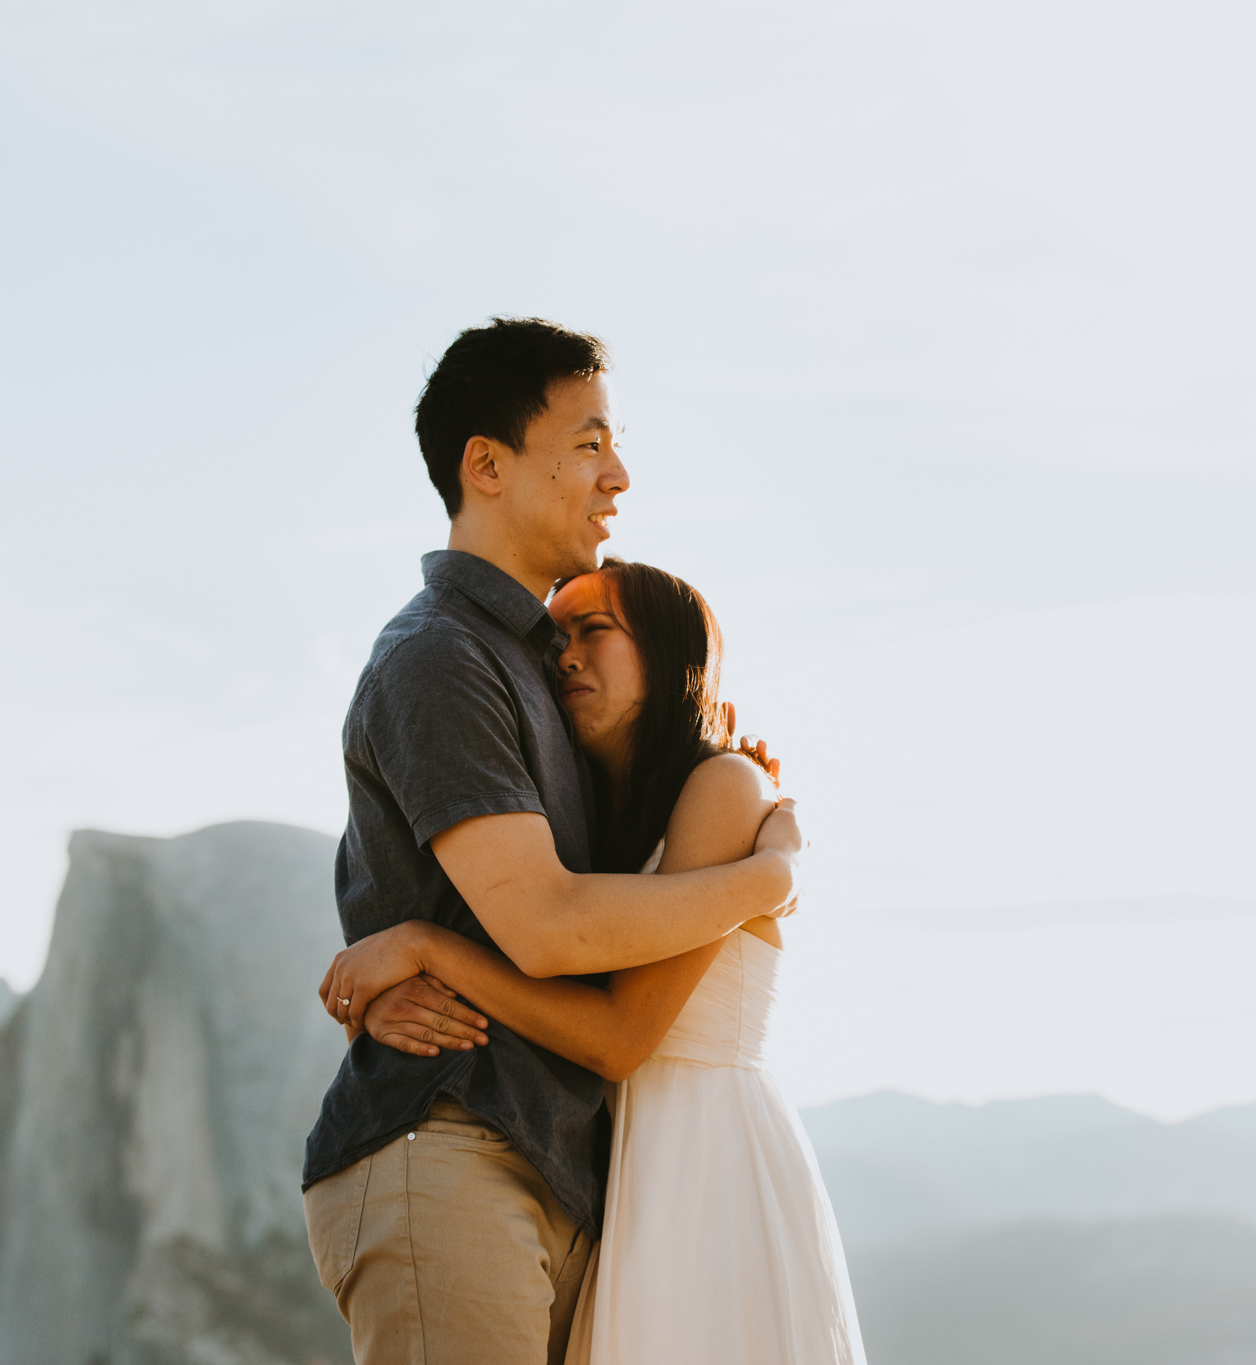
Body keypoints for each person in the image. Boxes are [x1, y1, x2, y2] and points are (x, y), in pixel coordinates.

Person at [301, 318, 806, 1365]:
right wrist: (769, 874)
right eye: (587, 443)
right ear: (484, 466)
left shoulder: (540, 677)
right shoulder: (440, 657)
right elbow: (546, 924)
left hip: (562, 1179)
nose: (616, 476)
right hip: (449, 1150)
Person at [321, 559, 867, 1364]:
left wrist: (428, 948)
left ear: (671, 655)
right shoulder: (598, 828)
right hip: (634, 1171)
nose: (564, 653)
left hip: (709, 1166)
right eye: (557, 637)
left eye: (595, 630)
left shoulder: (721, 784)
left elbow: (618, 1037)